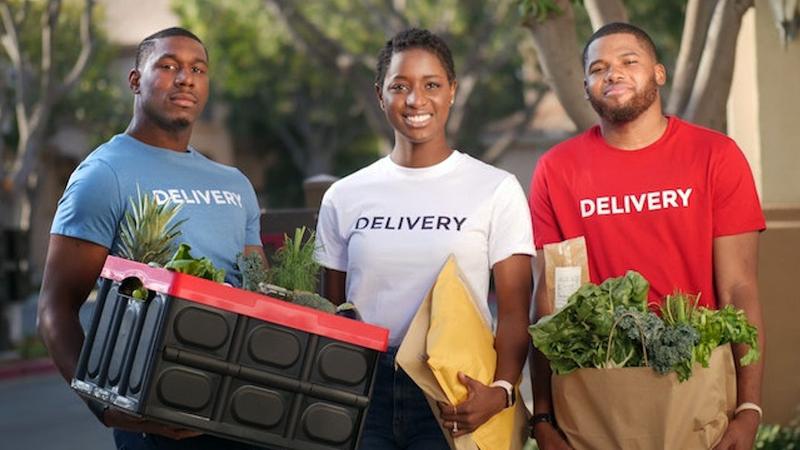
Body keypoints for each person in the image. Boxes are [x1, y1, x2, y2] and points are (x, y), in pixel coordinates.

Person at [527, 22, 766, 450]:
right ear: (585, 87)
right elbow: (550, 300)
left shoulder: (715, 156)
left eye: (628, 61)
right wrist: (543, 415)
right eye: (598, 68)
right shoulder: (557, 170)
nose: (612, 73)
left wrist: (749, 409)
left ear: (659, 72)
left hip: (695, 396)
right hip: (595, 401)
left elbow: (739, 288)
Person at [37, 27, 266, 450]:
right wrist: (105, 406)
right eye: (168, 66)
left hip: (242, 410)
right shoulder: (104, 174)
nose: (186, 78)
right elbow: (55, 308)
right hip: (158, 416)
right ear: (135, 81)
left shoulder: (234, 183)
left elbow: (258, 291)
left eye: (198, 68)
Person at [313, 28, 534, 449]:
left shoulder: (495, 188)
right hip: (363, 388)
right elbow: (331, 309)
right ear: (381, 95)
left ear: (452, 91)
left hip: (453, 388)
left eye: (431, 85)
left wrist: (502, 389)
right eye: (401, 86)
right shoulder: (344, 195)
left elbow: (513, 310)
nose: (416, 100)